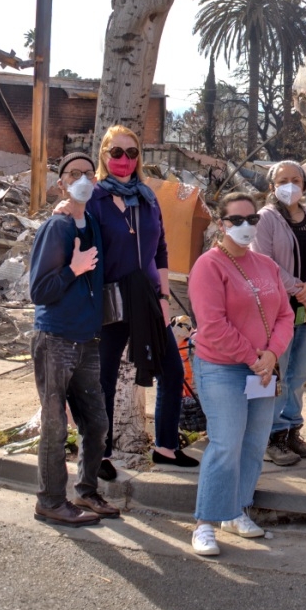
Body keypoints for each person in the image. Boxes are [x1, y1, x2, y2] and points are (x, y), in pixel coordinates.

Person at [186, 191, 293, 557]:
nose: (246, 226)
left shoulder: (266, 265)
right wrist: (254, 358)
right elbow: (212, 325)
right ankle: (205, 523)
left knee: (254, 444)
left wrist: (272, 354)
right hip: (223, 367)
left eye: (252, 219)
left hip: (261, 369)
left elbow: (285, 316)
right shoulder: (209, 266)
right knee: (226, 443)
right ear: (221, 223)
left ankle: (236, 510)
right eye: (236, 220)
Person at [88, 124, 187, 475]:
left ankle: (165, 447)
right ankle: (99, 453)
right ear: (104, 154)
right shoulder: (95, 198)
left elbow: (160, 250)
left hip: (147, 296)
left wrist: (163, 295)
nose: (124, 160)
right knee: (106, 376)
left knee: (172, 370)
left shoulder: (146, 197)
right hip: (112, 297)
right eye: (116, 152)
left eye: (131, 153)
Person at [26, 150, 115, 526]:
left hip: (87, 339)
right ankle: (50, 500)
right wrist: (73, 270)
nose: (82, 179)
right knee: (55, 424)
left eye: (88, 173)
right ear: (61, 182)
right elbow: (39, 289)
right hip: (56, 338)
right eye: (73, 173)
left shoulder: (90, 222)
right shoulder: (57, 228)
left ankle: (86, 490)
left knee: (95, 422)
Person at [252, 159, 306, 466]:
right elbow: (264, 262)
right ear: (272, 186)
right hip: (279, 310)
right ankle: (272, 436)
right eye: (283, 180)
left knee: (299, 373)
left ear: (304, 185)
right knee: (279, 374)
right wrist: (297, 289)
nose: (290, 185)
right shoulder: (265, 219)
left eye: (296, 180)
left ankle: (292, 430)